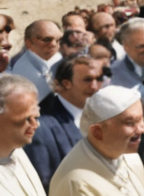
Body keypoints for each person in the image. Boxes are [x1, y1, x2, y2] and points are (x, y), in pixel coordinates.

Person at [25, 54, 101, 187]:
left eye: (98, 79)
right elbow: (43, 181)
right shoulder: (41, 127)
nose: (94, 87)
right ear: (66, 83)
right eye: (87, 80)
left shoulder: (102, 117)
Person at [6, 22, 61, 100]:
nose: (54, 44)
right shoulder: (21, 65)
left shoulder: (62, 61)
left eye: (58, 40)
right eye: (46, 40)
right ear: (30, 43)